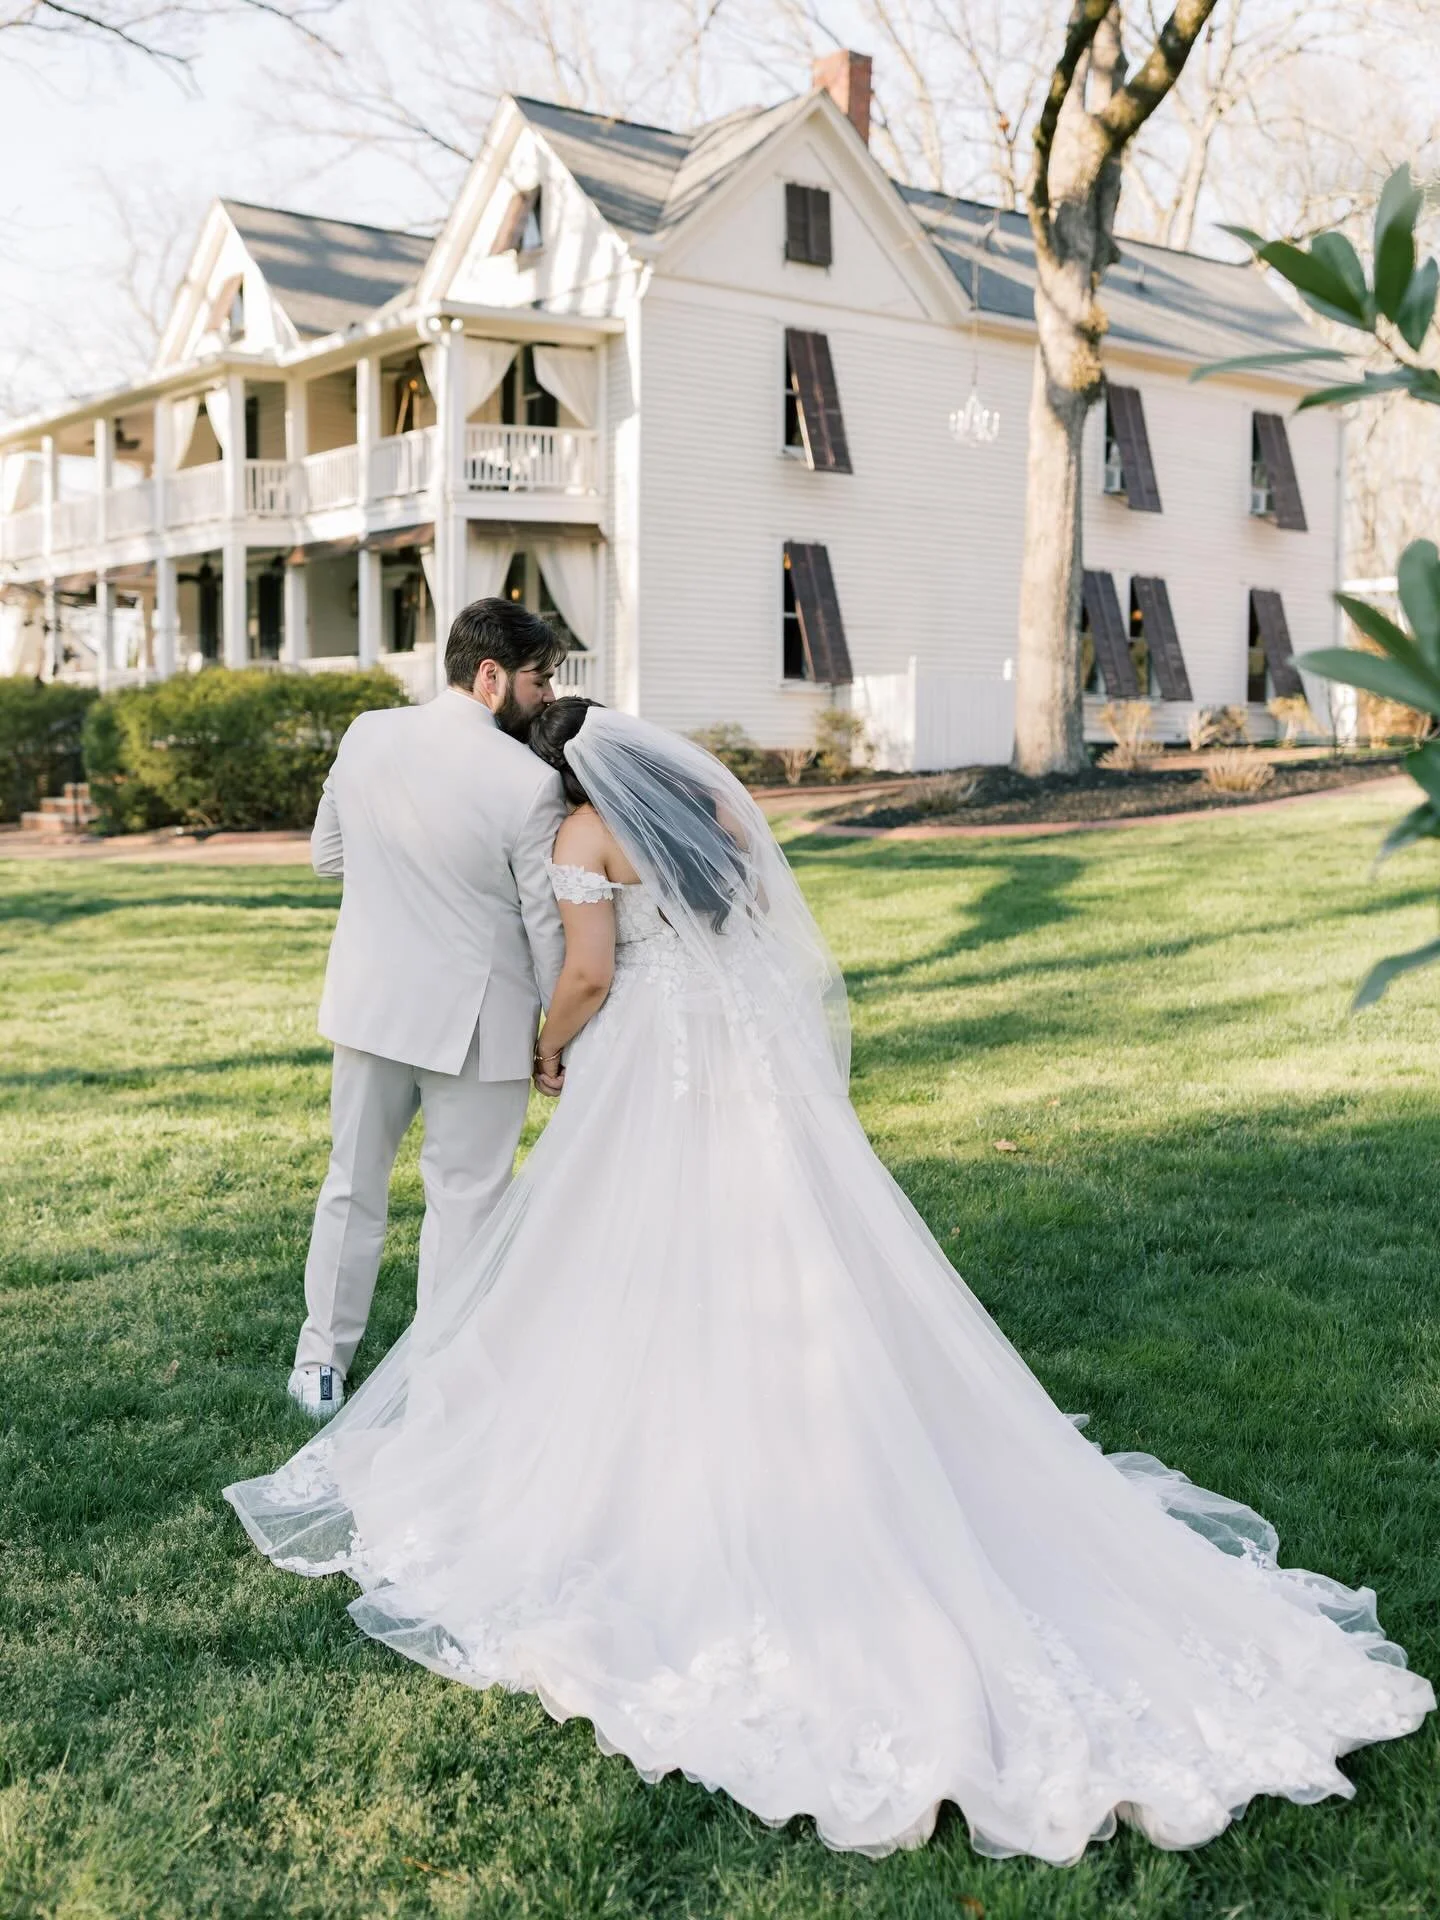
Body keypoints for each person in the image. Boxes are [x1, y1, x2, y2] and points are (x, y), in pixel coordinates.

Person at [228, 699, 1433, 1863]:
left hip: (654, 1059)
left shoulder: (584, 834)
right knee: (803, 1234)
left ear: (570, 778)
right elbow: (751, 926)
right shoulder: (715, 815)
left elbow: (590, 975)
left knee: (628, 1250)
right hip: (751, 1063)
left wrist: (547, 1045)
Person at [285, 599, 568, 1419]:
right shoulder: (530, 783)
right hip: (480, 1024)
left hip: (372, 1004)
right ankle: (439, 1374)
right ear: (489, 677)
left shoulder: (367, 733)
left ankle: (319, 1367)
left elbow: (326, 855)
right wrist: (558, 1038)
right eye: (536, 677)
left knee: (351, 1185)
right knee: (464, 1202)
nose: (544, 694)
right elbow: (547, 930)